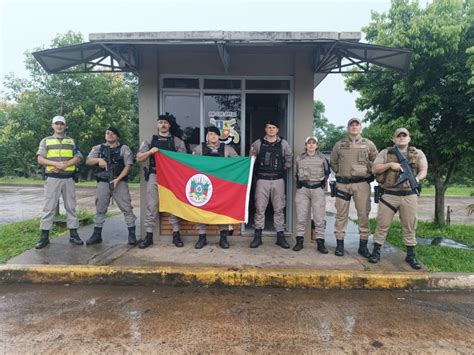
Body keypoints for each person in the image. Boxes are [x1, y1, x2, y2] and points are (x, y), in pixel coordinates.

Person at [369, 128, 428, 269]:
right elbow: (374, 169)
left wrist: (417, 179)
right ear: (394, 139)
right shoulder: (385, 153)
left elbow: (423, 170)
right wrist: (390, 165)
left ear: (409, 138)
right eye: (398, 136)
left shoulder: (417, 153)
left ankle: (411, 255)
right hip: (389, 194)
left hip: (409, 194)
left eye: (404, 136)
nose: (401, 138)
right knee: (382, 224)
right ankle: (376, 252)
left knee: (410, 225)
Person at [136, 114, 187, 249]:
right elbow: (139, 158)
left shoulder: (177, 142)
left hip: (171, 177)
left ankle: (176, 234)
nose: (163, 125)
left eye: (165, 122)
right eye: (160, 122)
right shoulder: (150, 140)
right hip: (155, 174)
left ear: (169, 125)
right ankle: (149, 236)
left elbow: (184, 162)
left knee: (173, 205)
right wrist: (150, 152)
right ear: (157, 125)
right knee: (151, 204)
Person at [330, 118, 378, 257]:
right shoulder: (339, 145)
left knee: (363, 214)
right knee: (341, 214)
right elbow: (333, 162)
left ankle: (363, 246)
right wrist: (342, 173)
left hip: (362, 184)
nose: (354, 127)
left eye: (357, 125)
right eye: (352, 125)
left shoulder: (369, 144)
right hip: (343, 184)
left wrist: (367, 170)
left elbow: (376, 161)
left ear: (361, 128)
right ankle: (340, 245)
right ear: (348, 128)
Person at [35, 115, 83, 249]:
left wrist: (66, 164)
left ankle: (74, 235)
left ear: (65, 126)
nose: (59, 126)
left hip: (68, 178)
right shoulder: (46, 141)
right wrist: (56, 164)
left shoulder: (71, 141)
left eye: (62, 124)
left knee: (71, 207)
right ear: (52, 125)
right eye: (57, 123)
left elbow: (78, 157)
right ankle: (44, 237)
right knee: (48, 208)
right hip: (52, 178)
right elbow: (40, 159)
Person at [85, 127, 137, 245]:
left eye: (113, 133)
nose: (110, 135)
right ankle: (97, 234)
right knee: (100, 208)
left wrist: (118, 179)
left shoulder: (124, 148)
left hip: (119, 182)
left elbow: (128, 165)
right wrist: (98, 160)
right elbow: (88, 161)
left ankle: (132, 233)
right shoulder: (98, 148)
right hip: (103, 182)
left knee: (127, 207)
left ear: (117, 136)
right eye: (108, 133)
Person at [193, 126, 239, 249]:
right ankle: (202, 237)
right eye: (210, 134)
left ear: (219, 136)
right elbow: (191, 164)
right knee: (201, 209)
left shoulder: (228, 149)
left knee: (222, 209)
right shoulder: (198, 149)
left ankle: (223, 238)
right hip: (204, 185)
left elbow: (238, 163)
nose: (212, 136)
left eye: (214, 134)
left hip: (221, 185)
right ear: (207, 136)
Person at [249, 121, 293, 249]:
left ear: (277, 130)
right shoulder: (258, 143)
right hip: (262, 180)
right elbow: (252, 159)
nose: (271, 130)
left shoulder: (284, 144)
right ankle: (258, 236)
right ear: (265, 129)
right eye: (269, 127)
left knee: (279, 208)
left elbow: (288, 160)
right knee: (259, 208)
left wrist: (281, 169)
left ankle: (280, 236)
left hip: (278, 180)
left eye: (274, 128)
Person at [293, 136, 330, 253]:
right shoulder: (300, 158)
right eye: (309, 143)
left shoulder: (322, 158)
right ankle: (299, 241)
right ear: (306, 145)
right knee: (301, 217)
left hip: (317, 188)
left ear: (317, 145)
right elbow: (296, 173)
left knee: (319, 218)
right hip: (303, 189)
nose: (311, 145)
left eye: (314, 143)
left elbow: (327, 172)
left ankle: (320, 242)